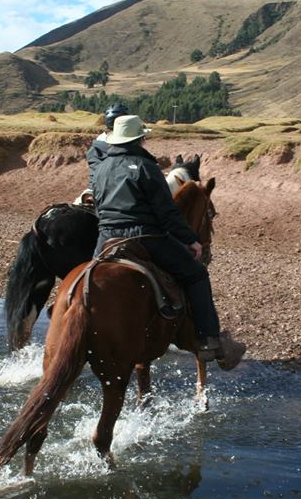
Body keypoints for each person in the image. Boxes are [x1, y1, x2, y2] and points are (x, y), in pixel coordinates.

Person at [90, 114, 245, 370]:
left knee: (89, 274)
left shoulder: (101, 167)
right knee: (196, 275)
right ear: (140, 138)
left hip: (106, 238)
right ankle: (209, 340)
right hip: (145, 236)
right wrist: (191, 240)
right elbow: (166, 212)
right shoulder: (145, 166)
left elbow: (99, 205)